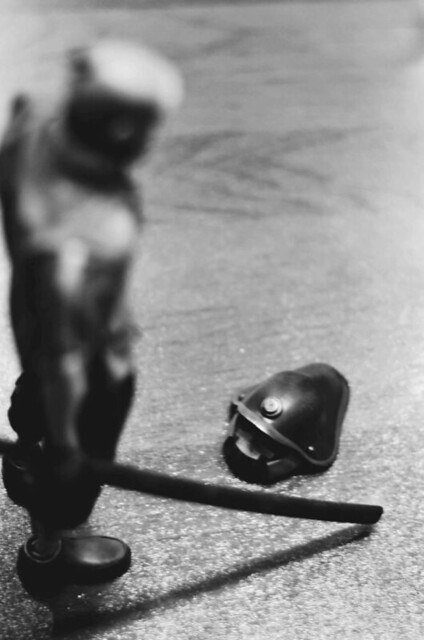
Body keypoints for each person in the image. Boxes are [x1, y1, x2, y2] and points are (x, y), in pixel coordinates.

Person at [0, 40, 183, 591]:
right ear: (123, 133)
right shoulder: (84, 245)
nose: (153, 141)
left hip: (38, 323)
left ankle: (30, 459)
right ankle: (47, 553)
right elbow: (67, 365)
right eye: (148, 129)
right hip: (90, 365)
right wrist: (67, 448)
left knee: (36, 406)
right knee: (70, 475)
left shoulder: (33, 131)